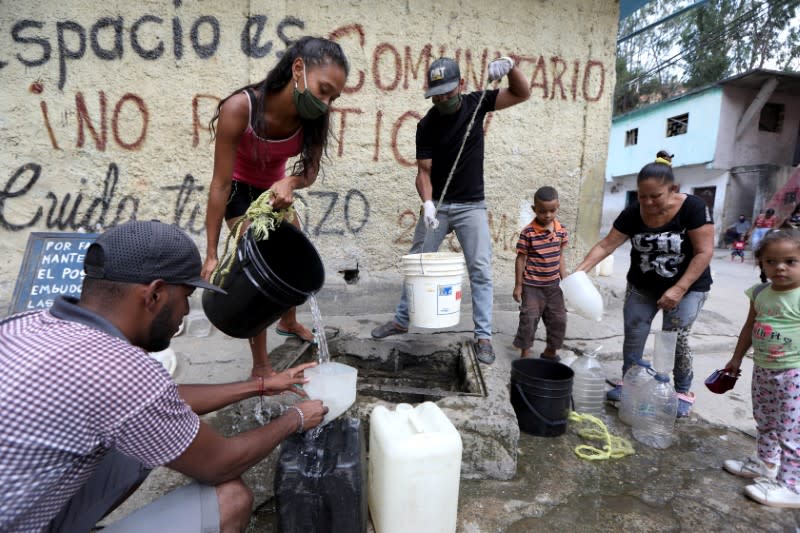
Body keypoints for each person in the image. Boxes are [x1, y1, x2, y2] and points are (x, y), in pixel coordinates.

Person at [0, 221, 327, 532]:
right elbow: (220, 463)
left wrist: (260, 385)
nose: (185, 311)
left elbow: (159, 403)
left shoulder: (24, 324)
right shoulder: (120, 370)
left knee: (139, 447)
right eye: (185, 296)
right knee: (232, 499)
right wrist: (294, 419)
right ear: (154, 294)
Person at [202, 36, 349, 378]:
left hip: (274, 191)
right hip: (239, 192)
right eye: (324, 89)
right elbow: (220, 184)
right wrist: (210, 253)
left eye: (333, 97)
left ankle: (288, 321)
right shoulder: (241, 108)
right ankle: (262, 368)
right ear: (298, 69)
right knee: (260, 272)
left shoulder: (313, 117)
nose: (326, 103)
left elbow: (308, 173)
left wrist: (290, 183)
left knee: (295, 259)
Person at [369, 55, 531, 364]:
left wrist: (511, 68)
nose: (443, 98)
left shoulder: (477, 103)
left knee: (480, 270)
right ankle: (402, 319)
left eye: (448, 91)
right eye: (437, 93)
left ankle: (483, 336)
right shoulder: (426, 125)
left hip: (472, 205)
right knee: (417, 261)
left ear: (461, 84)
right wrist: (427, 203)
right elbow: (424, 172)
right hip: (439, 206)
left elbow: (522, 93)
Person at [574, 154, 714, 417]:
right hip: (643, 286)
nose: (648, 203)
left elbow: (704, 252)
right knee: (634, 331)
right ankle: (630, 381)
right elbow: (607, 244)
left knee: (675, 339)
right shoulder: (632, 214)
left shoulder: (693, 208)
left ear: (673, 189)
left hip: (688, 287)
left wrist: (679, 289)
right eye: (642, 196)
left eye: (655, 196)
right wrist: (579, 272)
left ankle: (682, 390)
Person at [722, 228, 800, 508]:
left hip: (794, 373)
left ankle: (792, 486)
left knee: (791, 430)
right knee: (765, 420)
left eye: (790, 261)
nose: (780, 267)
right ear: (761, 264)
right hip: (764, 369)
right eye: (771, 261)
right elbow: (749, 328)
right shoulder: (759, 292)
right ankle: (767, 464)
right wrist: (736, 358)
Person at [512, 186, 568, 360]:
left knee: (558, 319)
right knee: (529, 319)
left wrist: (565, 280)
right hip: (532, 287)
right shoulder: (528, 233)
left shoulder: (561, 231)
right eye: (543, 211)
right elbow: (521, 259)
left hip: (554, 286)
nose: (548, 215)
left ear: (558, 206)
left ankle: (550, 351)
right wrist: (518, 286)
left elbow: (560, 256)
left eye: (552, 210)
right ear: (534, 209)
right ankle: (525, 354)